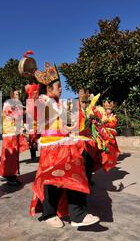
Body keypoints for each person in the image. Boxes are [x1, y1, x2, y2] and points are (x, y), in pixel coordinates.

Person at [29, 62, 100, 228]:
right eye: (58, 86)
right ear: (48, 88)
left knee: (71, 172)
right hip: (51, 146)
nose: (61, 89)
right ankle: (52, 214)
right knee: (54, 180)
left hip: (61, 143)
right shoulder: (42, 101)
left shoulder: (55, 103)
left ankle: (76, 214)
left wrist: (80, 126)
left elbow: (63, 126)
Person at [0, 89, 29, 186]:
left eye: (19, 94)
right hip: (10, 132)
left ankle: (5, 173)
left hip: (13, 132)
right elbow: (12, 114)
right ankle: (11, 177)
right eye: (16, 94)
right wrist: (24, 111)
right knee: (10, 155)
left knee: (11, 155)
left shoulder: (17, 104)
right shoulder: (8, 104)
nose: (18, 95)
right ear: (12, 95)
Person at [95, 101, 120, 172]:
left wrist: (107, 122)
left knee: (111, 146)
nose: (108, 111)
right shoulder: (103, 115)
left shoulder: (113, 116)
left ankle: (111, 158)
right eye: (107, 109)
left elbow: (113, 124)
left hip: (110, 133)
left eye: (110, 109)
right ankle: (103, 159)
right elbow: (99, 123)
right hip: (103, 132)